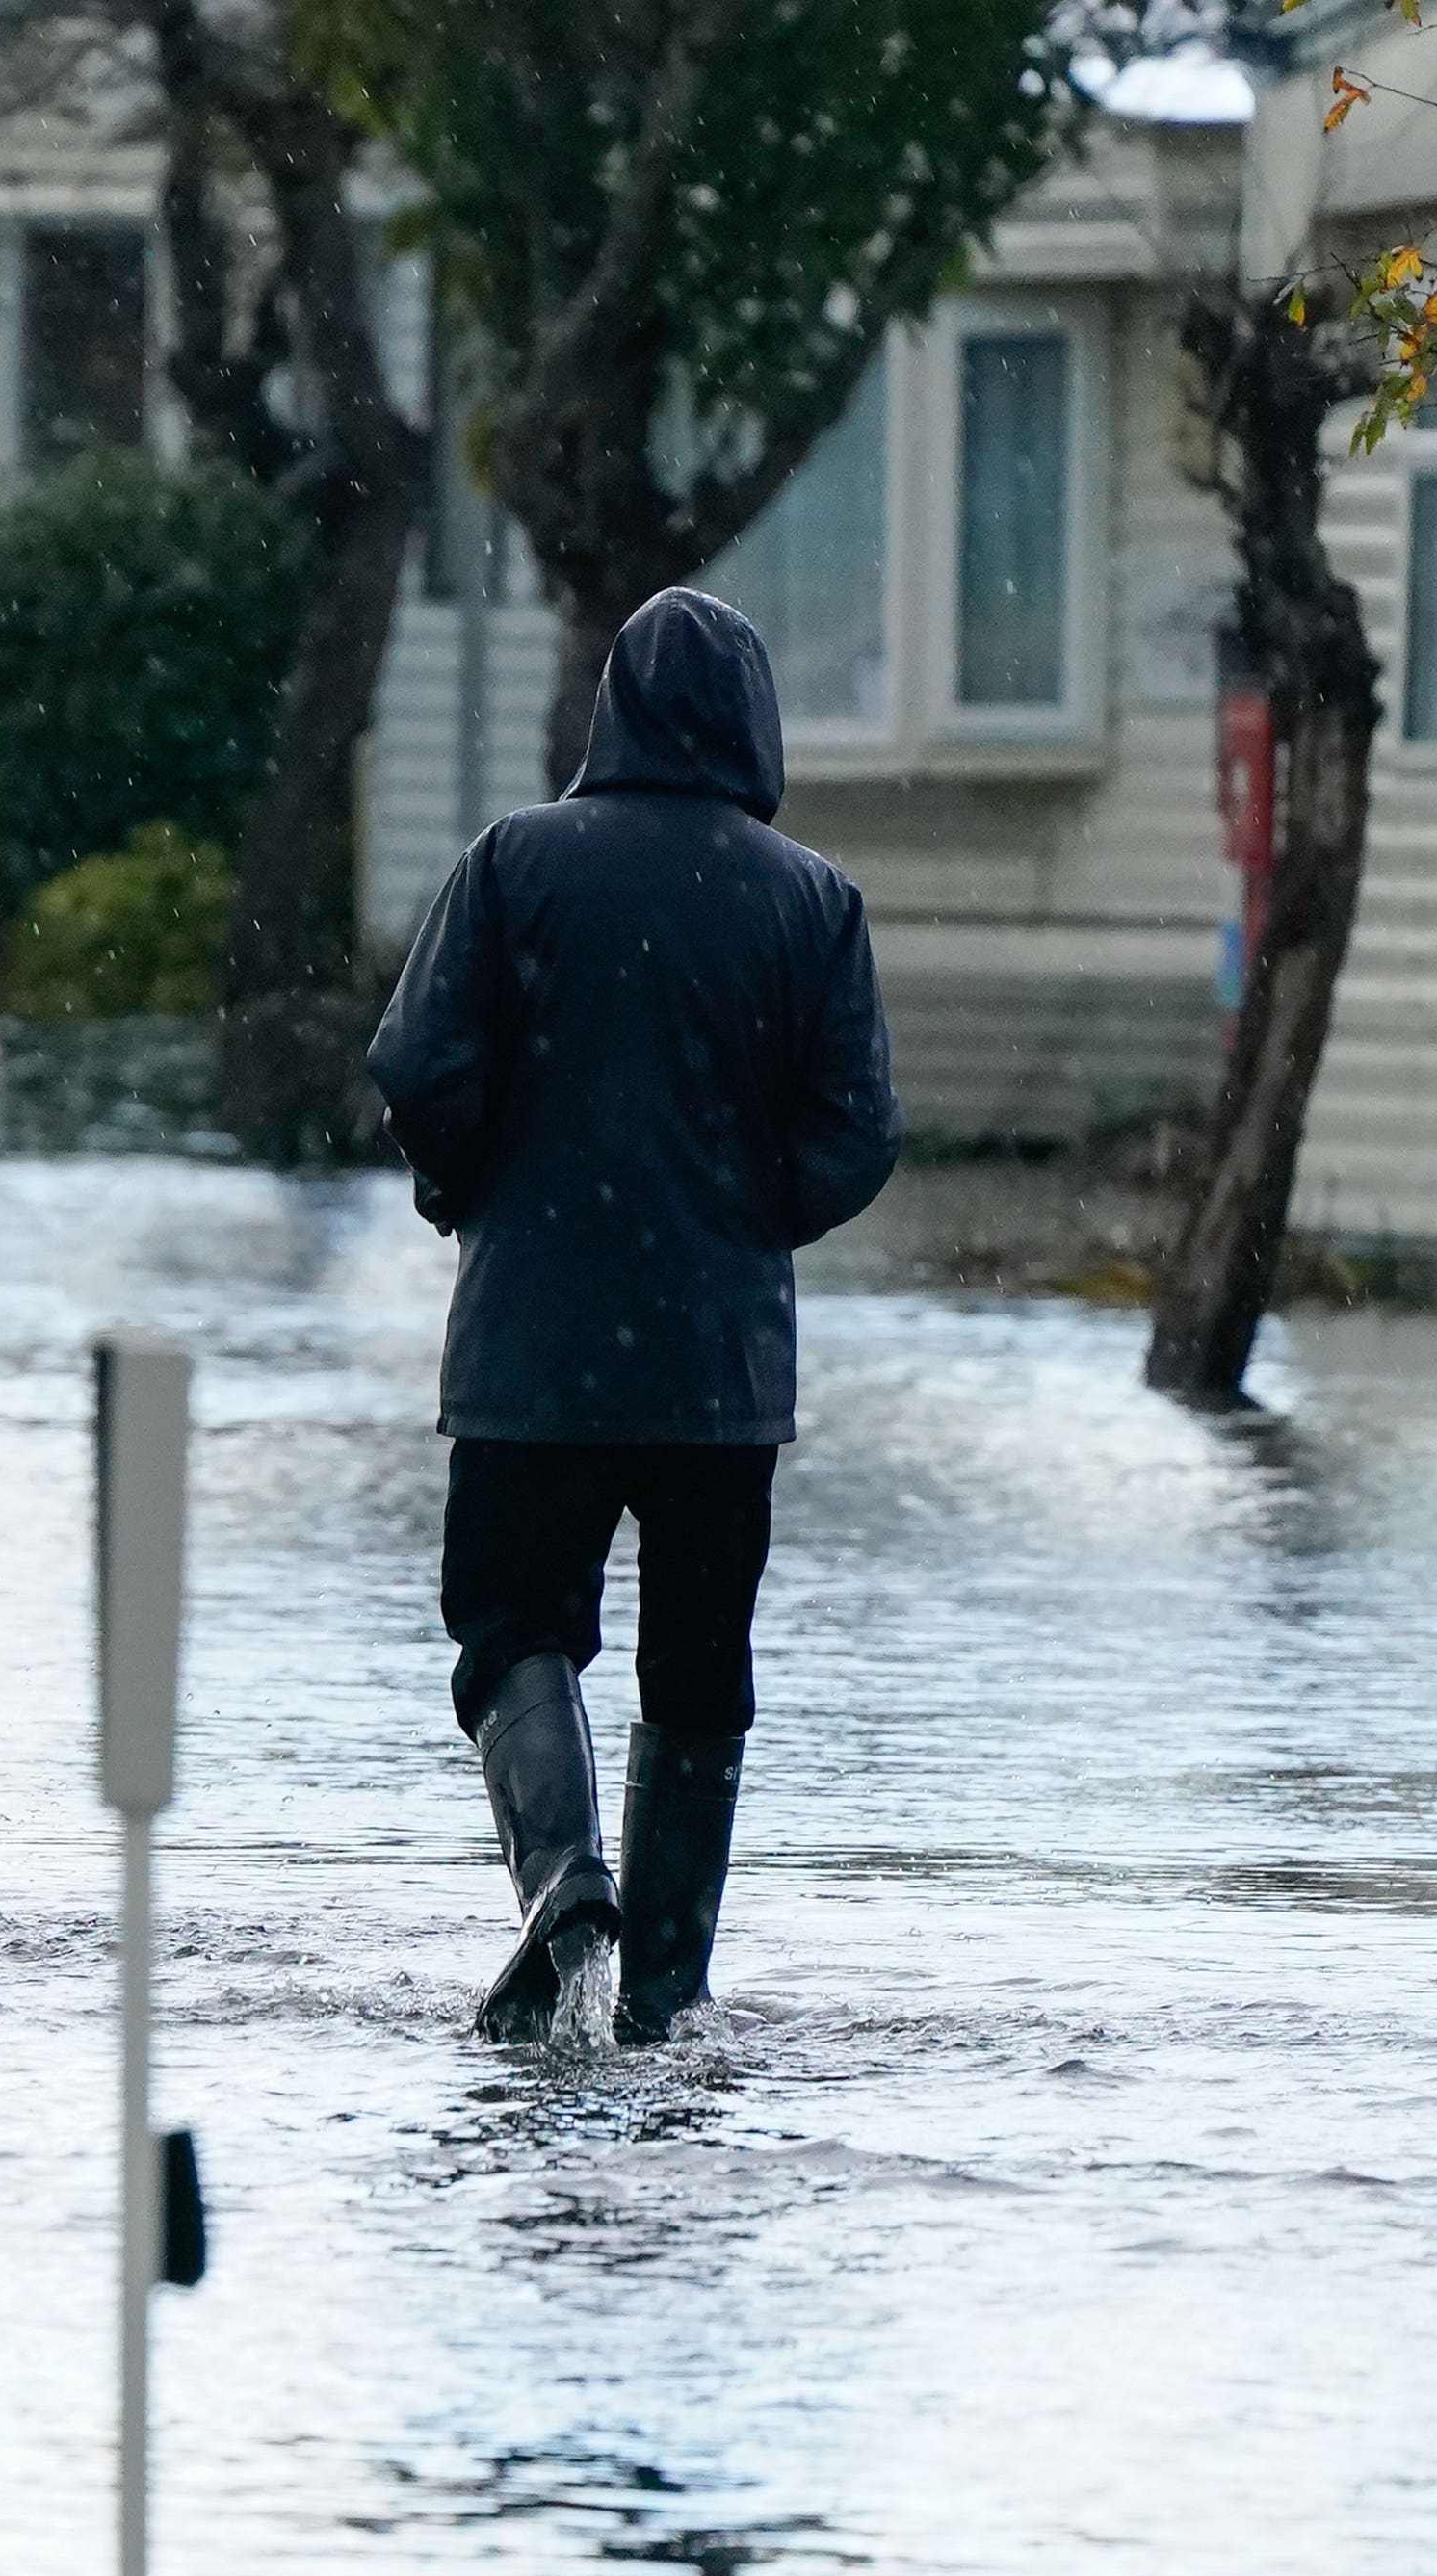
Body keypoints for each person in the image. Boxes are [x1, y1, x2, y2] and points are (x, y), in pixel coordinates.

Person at [367, 583, 900, 2046]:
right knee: (699, 1667)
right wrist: (739, 1221)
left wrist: (469, 1188)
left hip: (530, 1349)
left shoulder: (511, 864)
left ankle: (563, 1883)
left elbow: (418, 1066)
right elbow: (857, 1134)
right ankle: (666, 1990)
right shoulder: (810, 900)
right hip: (720, 1372)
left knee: (509, 1622)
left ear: (609, 711)